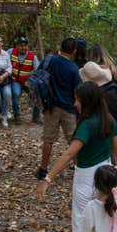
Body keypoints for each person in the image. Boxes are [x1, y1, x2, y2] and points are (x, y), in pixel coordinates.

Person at [36, 82, 117, 232]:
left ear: (86, 101)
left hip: (86, 177)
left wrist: (47, 178)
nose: (74, 103)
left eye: (77, 99)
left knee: (82, 224)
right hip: (107, 173)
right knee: (105, 224)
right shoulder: (109, 121)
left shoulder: (87, 125)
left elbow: (69, 154)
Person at [36, 38, 82, 180]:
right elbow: (78, 90)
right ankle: (79, 169)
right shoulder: (73, 68)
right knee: (73, 140)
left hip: (51, 106)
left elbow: (38, 76)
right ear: (74, 51)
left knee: (48, 139)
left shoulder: (49, 60)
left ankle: (43, 169)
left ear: (60, 47)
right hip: (68, 108)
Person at [8, 36, 40, 124]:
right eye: (21, 45)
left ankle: (36, 116)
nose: (23, 47)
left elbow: (37, 71)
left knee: (36, 94)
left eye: (25, 45)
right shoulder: (10, 52)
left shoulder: (33, 57)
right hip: (15, 80)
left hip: (28, 81)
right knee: (15, 93)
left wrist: (29, 77)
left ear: (27, 46)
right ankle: (17, 115)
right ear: (17, 46)